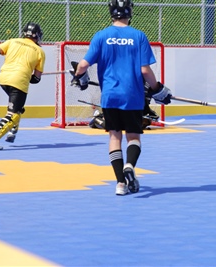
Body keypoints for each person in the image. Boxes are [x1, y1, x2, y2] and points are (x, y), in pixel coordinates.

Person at [71, 0, 172, 195]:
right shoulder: (138, 36)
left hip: (110, 96)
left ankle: (119, 183)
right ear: (129, 12)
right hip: (132, 96)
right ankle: (130, 166)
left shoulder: (101, 36)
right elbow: (144, 70)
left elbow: (82, 66)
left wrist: (78, 77)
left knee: (114, 136)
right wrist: (157, 88)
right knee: (133, 137)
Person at [0, 22, 45, 150]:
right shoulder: (39, 51)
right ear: (37, 36)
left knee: (17, 107)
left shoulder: (12, 41)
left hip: (4, 78)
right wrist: (27, 75)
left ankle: (12, 132)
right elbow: (36, 79)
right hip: (19, 82)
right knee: (13, 114)